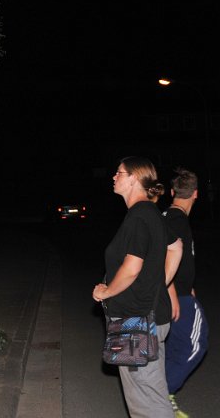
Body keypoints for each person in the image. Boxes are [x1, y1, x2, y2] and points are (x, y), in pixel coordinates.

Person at [92, 157, 172, 418]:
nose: (114, 177)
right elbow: (172, 250)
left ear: (135, 178)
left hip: (138, 322)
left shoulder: (139, 216)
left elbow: (132, 267)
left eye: (119, 173)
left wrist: (107, 291)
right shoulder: (149, 214)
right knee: (151, 395)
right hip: (146, 316)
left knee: (146, 401)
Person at [162, 167, 208, 418]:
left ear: (172, 192)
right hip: (176, 296)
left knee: (173, 345)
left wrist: (186, 281)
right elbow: (161, 256)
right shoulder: (175, 219)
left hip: (179, 290)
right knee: (196, 343)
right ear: (197, 194)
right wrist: (172, 292)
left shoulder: (171, 216)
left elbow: (179, 257)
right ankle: (164, 393)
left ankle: (158, 399)